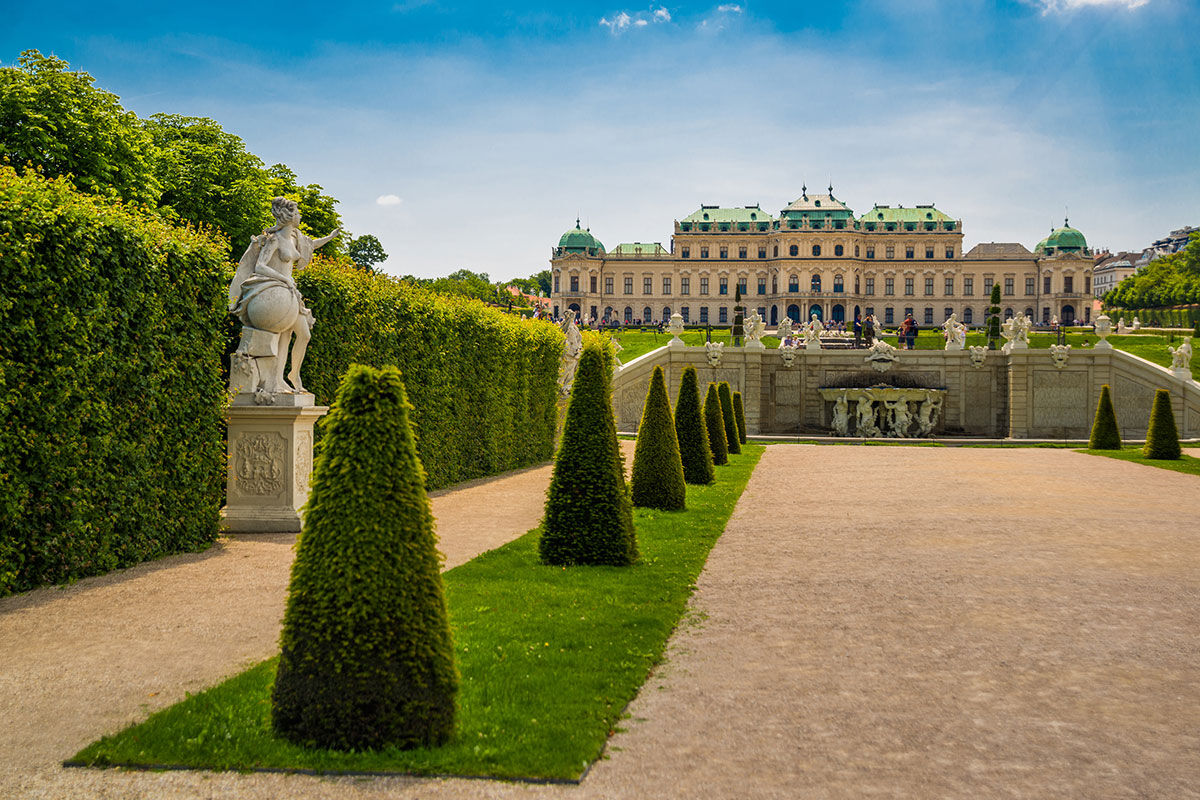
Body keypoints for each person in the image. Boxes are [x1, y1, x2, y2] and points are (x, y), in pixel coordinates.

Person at [228, 196, 340, 394]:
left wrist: (330, 237)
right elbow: (260, 266)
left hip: (289, 294)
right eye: (296, 212)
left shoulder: (295, 238)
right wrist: (283, 278)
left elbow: (311, 244)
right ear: (288, 216)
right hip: (274, 290)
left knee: (304, 334)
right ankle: (276, 380)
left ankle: (292, 374)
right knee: (284, 334)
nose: (299, 215)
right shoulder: (274, 240)